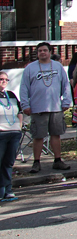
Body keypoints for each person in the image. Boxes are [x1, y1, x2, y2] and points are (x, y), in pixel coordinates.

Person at [20, 42, 72, 173]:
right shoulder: (30, 68)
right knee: (38, 136)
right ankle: (36, 162)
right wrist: (25, 104)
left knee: (56, 134)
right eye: (39, 51)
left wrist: (66, 101)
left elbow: (65, 85)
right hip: (38, 108)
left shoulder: (58, 66)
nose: (42, 53)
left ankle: (58, 160)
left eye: (44, 50)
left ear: (50, 52)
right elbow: (24, 87)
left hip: (55, 107)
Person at [0, 71, 22, 202]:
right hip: (1, 133)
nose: (4, 81)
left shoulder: (11, 95)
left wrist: (19, 126)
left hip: (13, 133)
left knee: (8, 162)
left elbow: (19, 110)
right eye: (1, 79)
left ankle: (8, 190)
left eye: (6, 79)